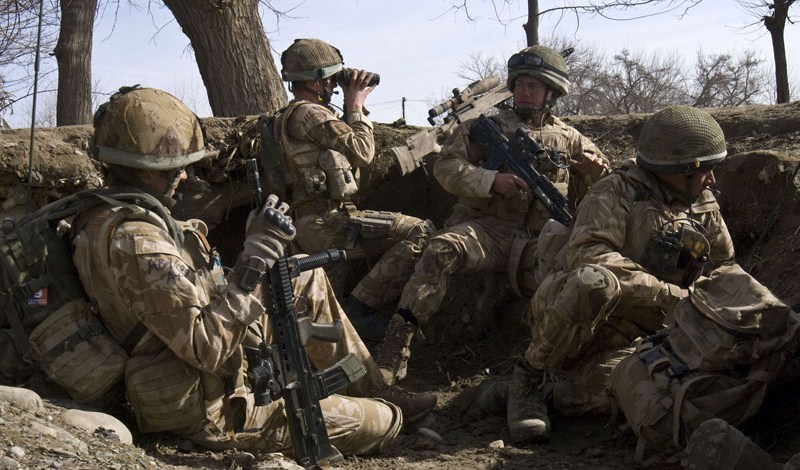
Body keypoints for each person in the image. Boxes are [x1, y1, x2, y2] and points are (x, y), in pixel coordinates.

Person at [71, 86, 434, 457]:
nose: (182, 176)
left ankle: (369, 387)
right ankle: (382, 407)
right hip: (213, 407)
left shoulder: (105, 215)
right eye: (172, 168)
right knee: (382, 421)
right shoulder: (137, 241)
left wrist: (250, 258)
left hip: (197, 365)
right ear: (142, 168)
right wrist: (253, 261)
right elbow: (207, 347)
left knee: (302, 278)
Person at [375, 45, 610, 386]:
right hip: (489, 230)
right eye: (520, 84)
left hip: (538, 241)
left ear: (551, 93)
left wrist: (593, 173)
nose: (524, 92)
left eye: (534, 86)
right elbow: (446, 166)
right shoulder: (487, 127)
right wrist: (490, 180)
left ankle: (545, 368)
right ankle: (396, 347)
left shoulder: (571, 139)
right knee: (442, 248)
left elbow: (608, 188)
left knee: (574, 278)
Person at [506, 105, 739, 444]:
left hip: (645, 333)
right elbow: (588, 253)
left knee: (651, 394)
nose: (712, 180)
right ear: (676, 170)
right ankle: (528, 378)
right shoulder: (616, 191)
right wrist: (667, 295)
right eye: (704, 170)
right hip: (581, 317)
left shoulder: (701, 201)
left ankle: (546, 395)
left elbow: (725, 269)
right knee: (595, 281)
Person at [273, 38, 435, 343]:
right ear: (313, 80)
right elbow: (362, 151)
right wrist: (356, 105)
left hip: (310, 222)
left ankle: (346, 328)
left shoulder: (287, 116)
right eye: (331, 79)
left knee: (328, 317)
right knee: (420, 232)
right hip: (328, 222)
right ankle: (361, 308)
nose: (335, 84)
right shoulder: (310, 114)